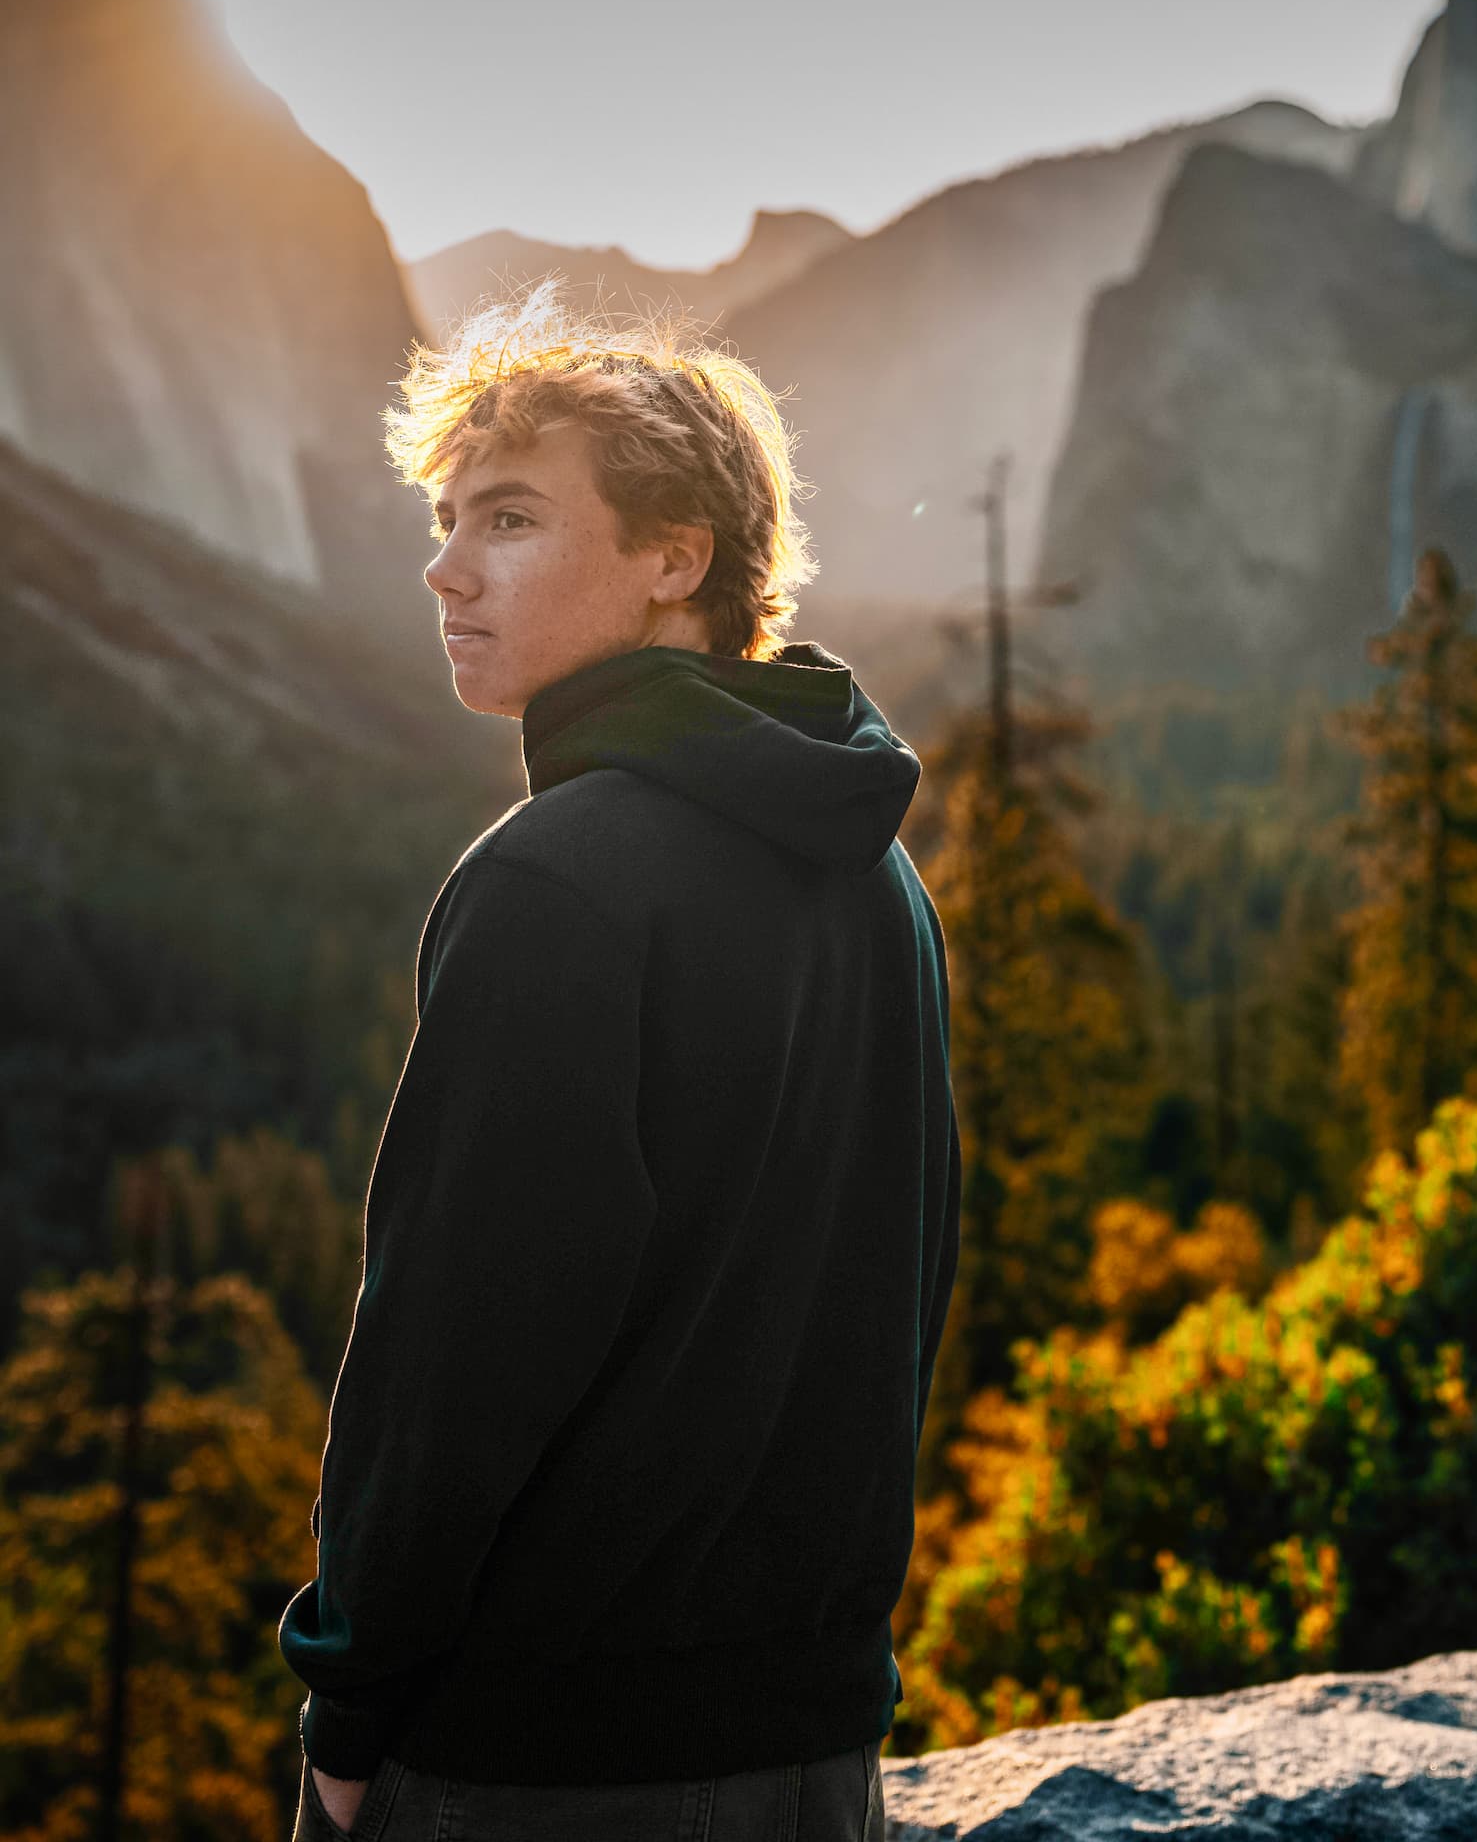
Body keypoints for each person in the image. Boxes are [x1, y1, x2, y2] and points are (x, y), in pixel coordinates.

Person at [279, 281, 962, 1842]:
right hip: (813, 1755)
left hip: (537, 1768)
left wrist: (349, 1706)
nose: (445, 568)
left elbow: (449, 1361)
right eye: (445, 518)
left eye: (509, 518)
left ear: (677, 558)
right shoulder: (879, 880)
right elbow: (897, 1298)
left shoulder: (553, 885)